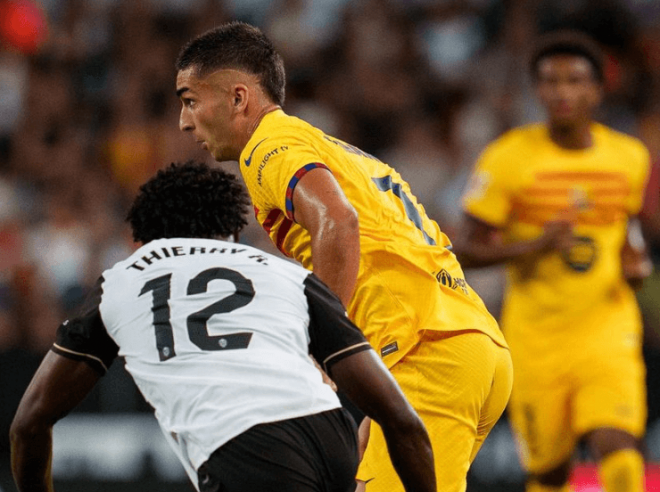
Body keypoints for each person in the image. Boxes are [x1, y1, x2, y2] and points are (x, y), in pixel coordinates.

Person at [175, 22, 513, 492]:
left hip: (426, 352)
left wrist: (321, 353)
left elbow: (338, 220)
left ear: (238, 98)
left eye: (190, 100)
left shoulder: (268, 147)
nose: (184, 121)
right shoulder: (332, 149)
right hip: (461, 345)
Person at [10, 161, 436, 492]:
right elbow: (400, 419)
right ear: (233, 230)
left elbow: (28, 423)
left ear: (143, 239)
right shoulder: (285, 273)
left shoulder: (124, 278)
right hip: (331, 435)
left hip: (242, 448)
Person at [456, 31, 652, 492]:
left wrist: (635, 259)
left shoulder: (629, 158)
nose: (562, 91)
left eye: (575, 80)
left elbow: (628, 227)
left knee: (622, 454)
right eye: (550, 81)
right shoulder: (508, 159)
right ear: (537, 90)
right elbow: (463, 247)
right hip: (536, 339)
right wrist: (533, 246)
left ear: (598, 89)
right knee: (549, 474)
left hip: (607, 328)